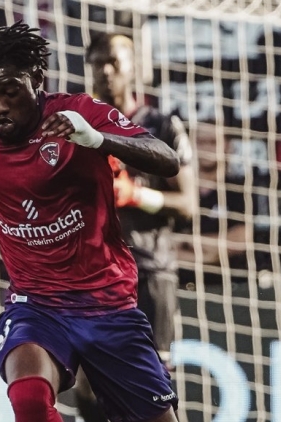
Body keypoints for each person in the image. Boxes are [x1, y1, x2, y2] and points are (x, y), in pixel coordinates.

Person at [0, 21, 180, 422]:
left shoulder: (77, 114)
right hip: (37, 304)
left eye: (10, 92)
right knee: (29, 401)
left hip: (107, 303)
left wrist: (97, 139)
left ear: (37, 79)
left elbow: (167, 159)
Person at [71, 32, 196, 422]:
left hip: (149, 269)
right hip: (93, 271)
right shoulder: (75, 127)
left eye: (113, 62)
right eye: (97, 63)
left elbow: (188, 204)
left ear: (133, 68)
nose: (105, 71)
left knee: (152, 385)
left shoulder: (160, 126)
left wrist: (135, 195)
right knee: (86, 380)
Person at [177, 121, 270, 287]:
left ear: (227, 146)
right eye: (201, 142)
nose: (207, 148)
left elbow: (239, 241)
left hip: (230, 287)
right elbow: (168, 247)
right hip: (182, 285)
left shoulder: (239, 191)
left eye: (213, 142)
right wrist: (212, 253)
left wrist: (187, 242)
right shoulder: (178, 190)